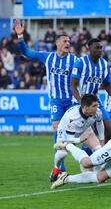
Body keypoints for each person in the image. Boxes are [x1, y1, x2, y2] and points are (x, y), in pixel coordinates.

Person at [14, 19, 77, 181]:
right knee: (57, 128)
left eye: (69, 41)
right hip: (56, 101)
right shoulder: (48, 57)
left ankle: (82, 160)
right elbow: (27, 52)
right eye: (64, 41)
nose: (67, 43)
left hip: (71, 102)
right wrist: (20, 35)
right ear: (57, 43)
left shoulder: (74, 60)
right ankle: (60, 168)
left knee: (77, 134)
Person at [71, 38, 111, 143]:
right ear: (89, 48)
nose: (100, 50)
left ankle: (103, 155)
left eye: (101, 48)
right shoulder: (80, 62)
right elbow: (73, 85)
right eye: (97, 48)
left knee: (110, 131)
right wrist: (82, 103)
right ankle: (88, 154)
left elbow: (107, 84)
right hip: (80, 101)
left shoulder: (104, 64)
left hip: (95, 101)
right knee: (87, 133)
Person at [51, 94, 104, 178]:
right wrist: (80, 139)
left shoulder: (97, 112)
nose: (96, 108)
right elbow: (70, 141)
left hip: (85, 130)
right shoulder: (72, 118)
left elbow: (100, 123)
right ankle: (56, 168)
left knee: (99, 149)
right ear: (86, 107)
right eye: (94, 106)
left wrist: (102, 140)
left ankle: (97, 173)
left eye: (96, 105)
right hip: (65, 134)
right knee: (62, 154)